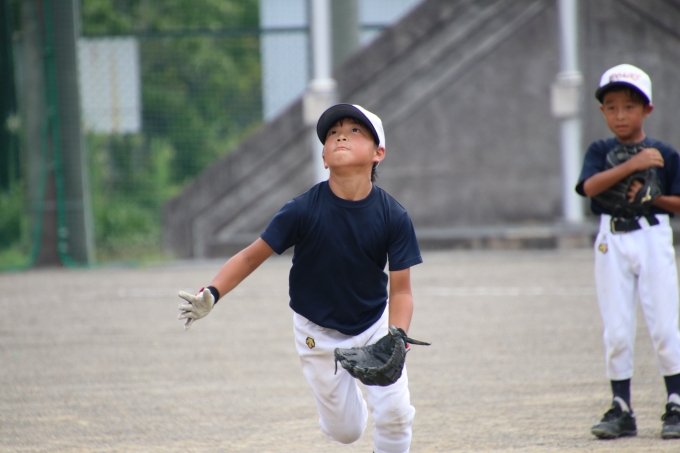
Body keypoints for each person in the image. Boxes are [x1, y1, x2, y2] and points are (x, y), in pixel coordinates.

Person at [178, 104, 423, 453]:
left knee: (396, 416)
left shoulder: (393, 216)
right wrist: (213, 292)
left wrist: (396, 336)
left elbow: (401, 292)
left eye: (355, 131)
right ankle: (345, 403)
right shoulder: (302, 209)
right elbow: (250, 257)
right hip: (317, 333)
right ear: (324, 158)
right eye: (333, 133)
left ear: (378, 153)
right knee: (347, 431)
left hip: (374, 324)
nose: (341, 136)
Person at [575, 63, 680, 439]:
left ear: (647, 109)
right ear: (602, 111)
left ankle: (675, 403)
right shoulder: (600, 150)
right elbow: (588, 187)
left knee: (664, 325)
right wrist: (634, 164)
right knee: (617, 329)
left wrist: (656, 198)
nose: (620, 115)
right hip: (612, 238)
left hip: (652, 235)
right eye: (612, 107)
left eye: (630, 106)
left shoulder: (664, 152)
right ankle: (621, 408)